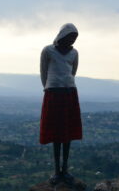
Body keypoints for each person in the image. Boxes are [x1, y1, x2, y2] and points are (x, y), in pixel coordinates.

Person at [40, 23, 82, 185]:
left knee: (68, 133)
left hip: (69, 92)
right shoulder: (48, 51)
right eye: (71, 37)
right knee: (56, 133)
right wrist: (48, 87)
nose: (73, 40)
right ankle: (57, 170)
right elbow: (43, 72)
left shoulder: (74, 53)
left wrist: (65, 84)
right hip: (53, 93)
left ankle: (65, 169)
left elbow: (73, 72)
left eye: (75, 38)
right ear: (62, 35)